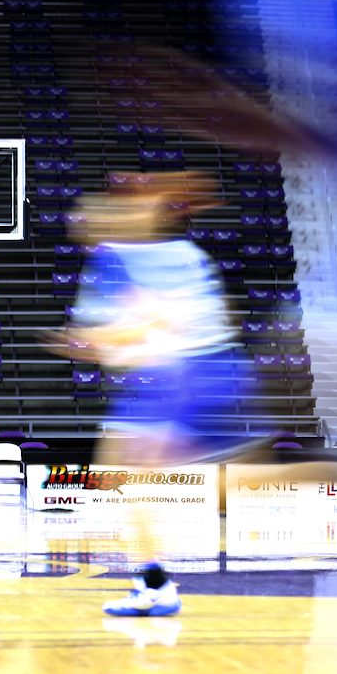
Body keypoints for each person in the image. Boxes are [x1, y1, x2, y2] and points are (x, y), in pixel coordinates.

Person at [49, 171, 245, 616]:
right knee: (123, 478)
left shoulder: (114, 257)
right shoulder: (186, 253)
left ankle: (155, 583)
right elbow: (207, 318)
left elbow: (135, 328)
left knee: (126, 480)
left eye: (87, 215)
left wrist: (87, 342)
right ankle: (153, 581)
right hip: (188, 376)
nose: (78, 221)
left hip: (165, 380)